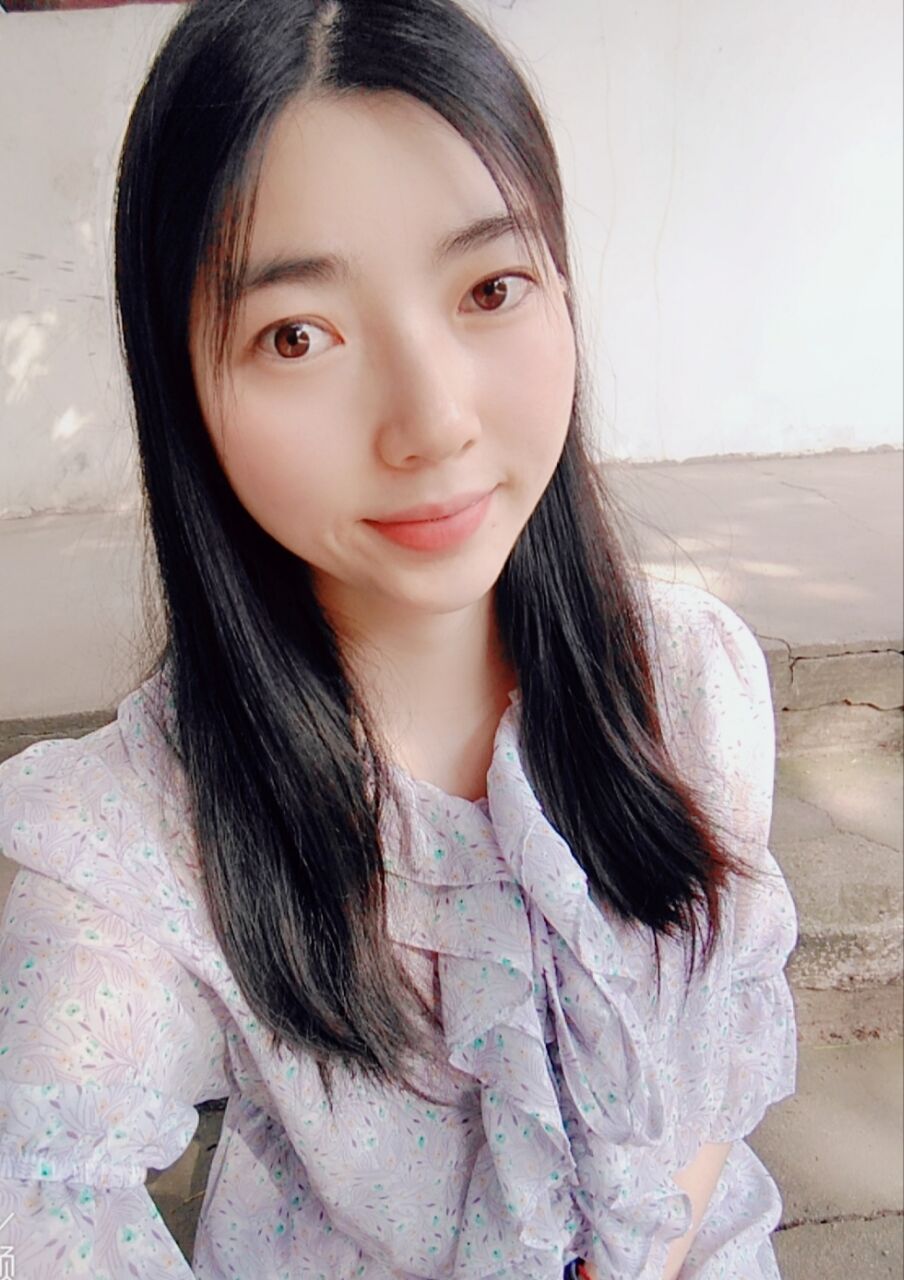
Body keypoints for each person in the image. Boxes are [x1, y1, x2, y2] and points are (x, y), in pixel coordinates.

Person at [0, 0, 799, 1275]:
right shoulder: (135, 834)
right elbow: (35, 1187)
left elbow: (713, 1049)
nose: (431, 420)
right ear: (181, 379)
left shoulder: (690, 681)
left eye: (489, 287)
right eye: (297, 334)